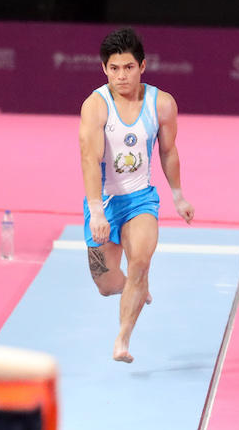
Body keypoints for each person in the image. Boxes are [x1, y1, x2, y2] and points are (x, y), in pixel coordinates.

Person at [78, 27, 195, 363]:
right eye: (114, 69)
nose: (121, 76)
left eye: (128, 67)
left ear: (142, 66)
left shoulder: (162, 104)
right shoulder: (95, 106)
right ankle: (134, 286)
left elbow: (169, 151)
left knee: (141, 260)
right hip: (103, 202)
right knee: (105, 283)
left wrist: (178, 195)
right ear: (104, 69)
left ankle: (122, 340)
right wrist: (97, 211)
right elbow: (89, 158)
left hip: (141, 199)